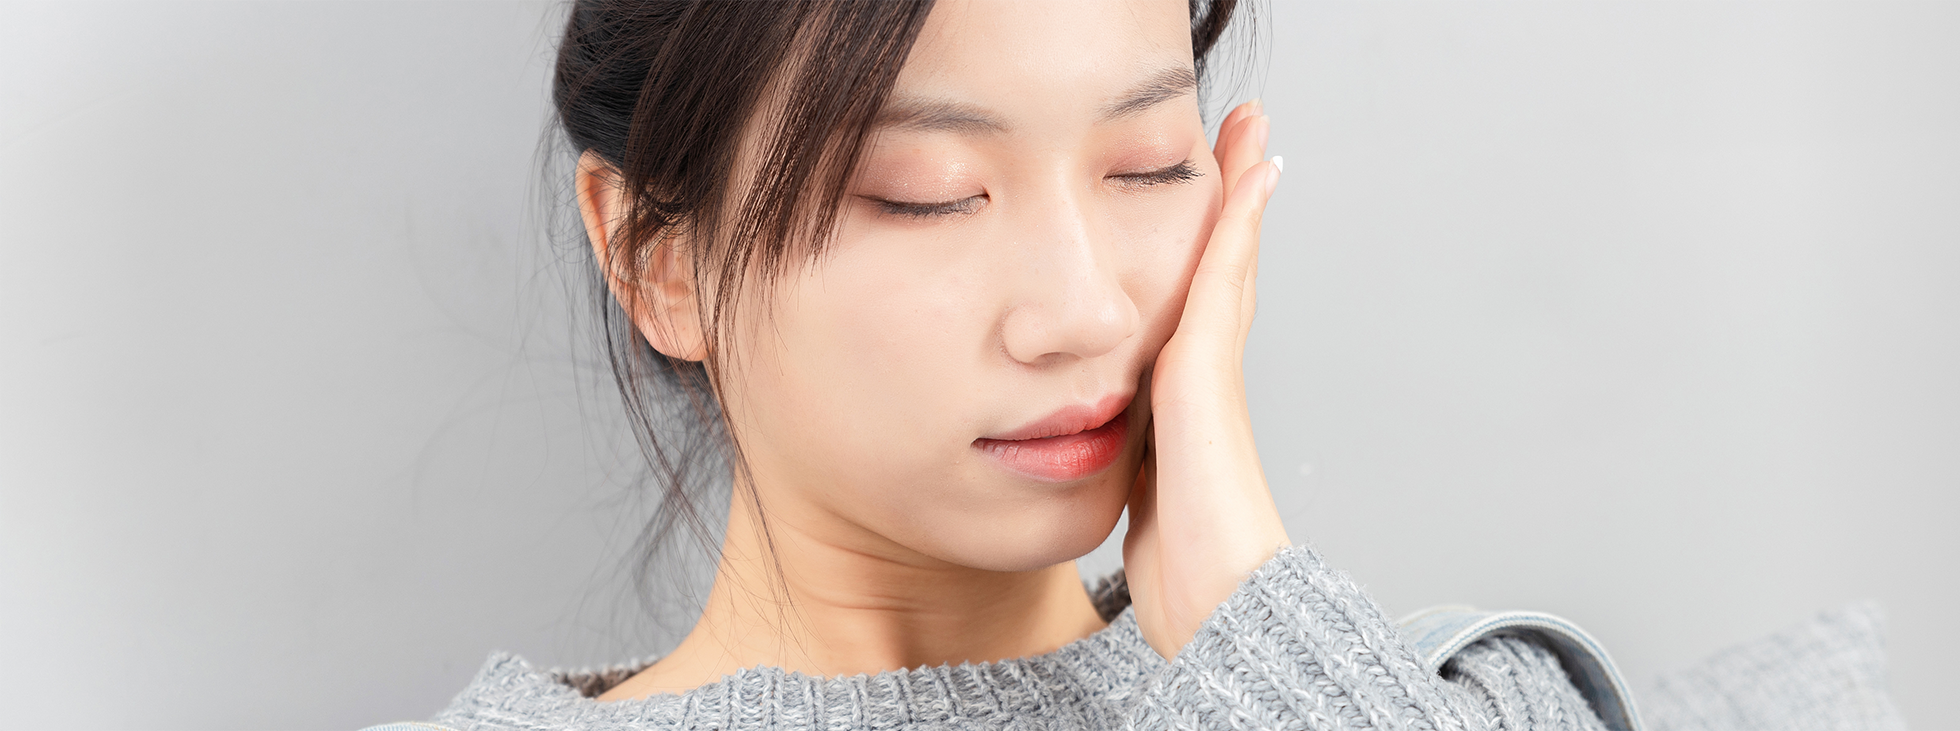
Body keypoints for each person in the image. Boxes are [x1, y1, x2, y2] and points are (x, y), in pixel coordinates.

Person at [394, 0, 1631, 728]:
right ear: (655, 258)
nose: (1083, 310)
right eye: (927, 192)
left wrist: (1251, 621)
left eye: (1148, 164)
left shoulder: (1463, 701)